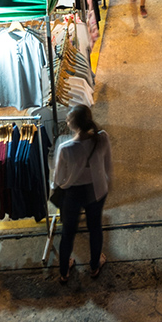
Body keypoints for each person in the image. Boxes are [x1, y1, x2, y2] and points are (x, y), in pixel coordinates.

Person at [51, 105, 112, 283]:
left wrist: (57, 187)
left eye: (68, 120)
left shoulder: (65, 148)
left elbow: (58, 178)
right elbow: (108, 166)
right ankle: (94, 266)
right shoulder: (102, 138)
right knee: (95, 228)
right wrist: (108, 183)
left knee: (68, 232)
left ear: (73, 125)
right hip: (96, 190)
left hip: (72, 194)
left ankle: (64, 270)